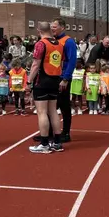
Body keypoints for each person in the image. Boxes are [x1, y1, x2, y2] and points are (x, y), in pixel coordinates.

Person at [28, 21, 64, 154]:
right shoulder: (59, 44)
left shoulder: (41, 44)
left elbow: (35, 64)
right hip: (55, 79)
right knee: (53, 111)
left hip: (42, 80)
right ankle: (57, 142)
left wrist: (28, 81)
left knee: (42, 112)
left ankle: (44, 144)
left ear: (39, 31)